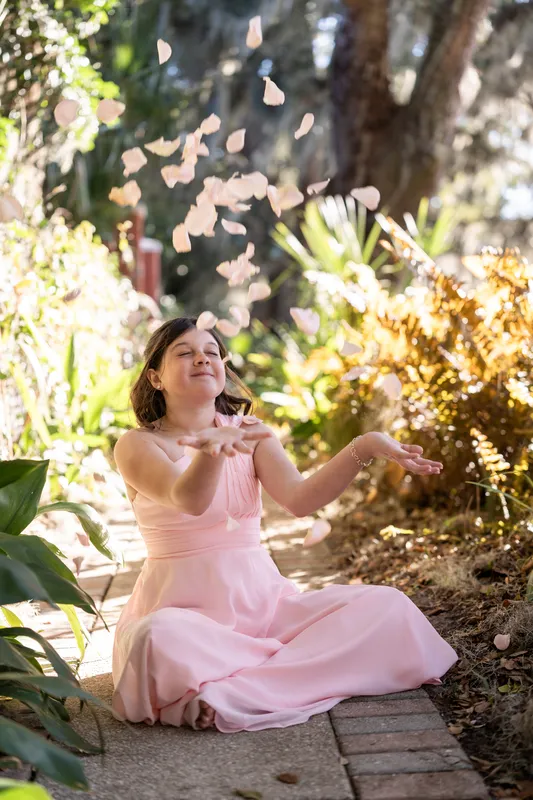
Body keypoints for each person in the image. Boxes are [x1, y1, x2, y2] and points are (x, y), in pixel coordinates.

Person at [111, 316, 457, 733]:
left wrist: (365, 447)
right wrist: (212, 452)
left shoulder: (252, 433)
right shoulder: (137, 444)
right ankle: (273, 673)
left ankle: (231, 688)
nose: (202, 359)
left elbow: (300, 499)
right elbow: (189, 500)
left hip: (265, 608)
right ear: (155, 377)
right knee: (155, 639)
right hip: (183, 616)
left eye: (211, 352)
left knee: (389, 606)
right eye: (185, 353)